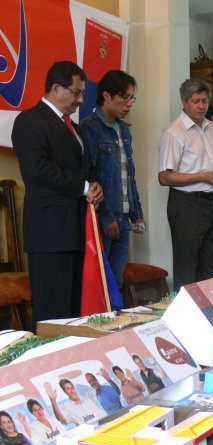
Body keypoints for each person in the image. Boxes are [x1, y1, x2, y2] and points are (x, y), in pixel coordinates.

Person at [11, 61, 103, 329]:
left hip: (77, 232)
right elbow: (37, 169)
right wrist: (84, 187)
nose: (81, 99)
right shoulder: (30, 121)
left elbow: (87, 167)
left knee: (77, 311)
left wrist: (94, 186)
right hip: (50, 234)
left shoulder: (75, 128)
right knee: (54, 313)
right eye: (76, 92)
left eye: (82, 93)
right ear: (55, 88)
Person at [158, 78, 213, 291]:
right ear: (184, 101)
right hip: (187, 204)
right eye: (195, 101)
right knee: (187, 268)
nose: (201, 106)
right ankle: (186, 319)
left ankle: (212, 318)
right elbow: (164, 177)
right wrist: (201, 177)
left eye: (204, 101)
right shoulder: (174, 132)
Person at [80, 70, 145, 288]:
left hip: (124, 217)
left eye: (131, 98)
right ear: (106, 95)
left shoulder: (124, 130)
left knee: (116, 284)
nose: (129, 104)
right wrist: (106, 217)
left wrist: (137, 214)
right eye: (124, 97)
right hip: (104, 220)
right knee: (100, 284)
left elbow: (129, 176)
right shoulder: (90, 128)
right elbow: (91, 177)